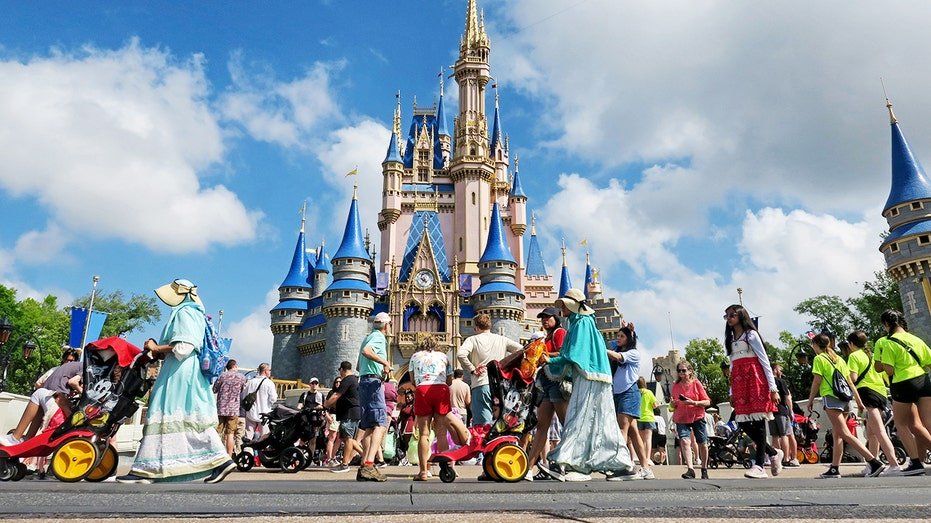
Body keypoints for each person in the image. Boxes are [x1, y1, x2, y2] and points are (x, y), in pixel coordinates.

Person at [116, 279, 235, 484]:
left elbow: (184, 347)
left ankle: (148, 468)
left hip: (179, 373)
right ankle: (216, 461)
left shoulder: (184, 313)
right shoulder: (198, 314)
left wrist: (155, 347)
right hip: (188, 371)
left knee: (166, 414)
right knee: (189, 418)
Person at [539, 288, 633, 482]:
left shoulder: (582, 324)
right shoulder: (581, 323)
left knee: (578, 417)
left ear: (572, 305)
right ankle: (620, 465)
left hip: (589, 377)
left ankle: (570, 463)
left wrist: (549, 361)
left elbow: (574, 355)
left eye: (564, 304)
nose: (562, 308)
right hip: (594, 376)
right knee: (601, 421)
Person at [807, 333, 886, 478]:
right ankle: (834, 468)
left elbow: (817, 381)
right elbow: (850, 382)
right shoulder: (839, 359)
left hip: (831, 398)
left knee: (844, 433)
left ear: (816, 345)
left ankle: (873, 461)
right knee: (838, 435)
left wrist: (811, 399)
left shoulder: (819, 359)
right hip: (845, 399)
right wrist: (859, 401)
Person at [723, 304, 784, 479]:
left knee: (758, 421)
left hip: (755, 378)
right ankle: (773, 452)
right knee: (741, 421)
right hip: (739, 381)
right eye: (726, 316)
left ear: (741, 316)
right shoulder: (731, 339)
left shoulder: (751, 335)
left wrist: (773, 387)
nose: (729, 318)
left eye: (732, 315)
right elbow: (732, 364)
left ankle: (759, 465)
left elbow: (764, 360)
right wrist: (731, 391)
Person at [873, 309, 931, 476]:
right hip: (923, 380)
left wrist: (883, 362)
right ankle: (919, 459)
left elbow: (889, 371)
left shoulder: (886, 342)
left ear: (886, 324)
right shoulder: (915, 339)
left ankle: (915, 462)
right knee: (924, 422)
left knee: (901, 425)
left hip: (903, 383)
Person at [408, 335, 471, 481]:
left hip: (422, 390)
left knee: (424, 434)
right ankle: (446, 468)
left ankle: (423, 472)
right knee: (441, 433)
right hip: (441, 390)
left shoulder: (414, 356)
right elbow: (449, 380)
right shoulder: (444, 356)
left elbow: (412, 380)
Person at [844, 331, 901, 475]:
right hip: (880, 392)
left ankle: (894, 464)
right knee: (872, 432)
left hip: (867, 393)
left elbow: (853, 378)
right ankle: (873, 464)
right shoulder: (871, 355)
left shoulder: (854, 356)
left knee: (879, 430)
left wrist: (845, 376)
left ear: (851, 344)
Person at [457, 313, 523, 426]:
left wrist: (473, 369)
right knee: (502, 421)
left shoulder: (472, 340)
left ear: (476, 327)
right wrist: (508, 367)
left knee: (483, 425)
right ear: (490, 327)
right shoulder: (502, 339)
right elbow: (521, 350)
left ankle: (486, 443)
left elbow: (460, 355)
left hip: (481, 384)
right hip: (500, 385)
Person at [526, 306, 569, 480]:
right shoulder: (546, 337)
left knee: (566, 424)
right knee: (541, 426)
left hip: (556, 381)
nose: (545, 320)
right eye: (542, 318)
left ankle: (565, 465)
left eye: (548, 317)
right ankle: (528, 468)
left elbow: (563, 353)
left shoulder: (559, 332)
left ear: (556, 318)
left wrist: (545, 355)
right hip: (546, 382)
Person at [607, 322, 654, 480]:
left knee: (622, 430)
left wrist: (600, 347)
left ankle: (624, 467)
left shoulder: (633, 353)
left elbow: (618, 356)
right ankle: (646, 468)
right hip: (619, 394)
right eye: (617, 336)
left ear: (629, 339)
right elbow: (614, 350)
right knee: (634, 433)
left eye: (622, 336)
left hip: (629, 393)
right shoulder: (617, 349)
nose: (618, 338)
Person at [0, 359, 82, 446]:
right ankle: (25, 439)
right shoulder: (86, 369)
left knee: (39, 394)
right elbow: (73, 382)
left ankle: (16, 437)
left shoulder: (82, 367)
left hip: (55, 402)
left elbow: (72, 382)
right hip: (56, 400)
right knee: (40, 397)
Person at [354, 311, 393, 482]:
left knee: (369, 427)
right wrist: (384, 363)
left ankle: (363, 466)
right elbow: (366, 351)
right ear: (386, 326)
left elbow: (358, 364)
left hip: (364, 381)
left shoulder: (368, 336)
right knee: (381, 423)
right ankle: (370, 464)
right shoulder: (378, 337)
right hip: (372, 383)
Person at [670, 361, 711, 479]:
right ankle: (690, 469)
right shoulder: (676, 386)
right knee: (684, 441)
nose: (681, 373)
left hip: (697, 416)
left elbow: (707, 401)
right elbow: (673, 405)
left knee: (702, 443)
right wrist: (673, 404)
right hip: (681, 417)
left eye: (683, 370)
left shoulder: (696, 384)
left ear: (690, 371)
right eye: (679, 371)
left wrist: (693, 402)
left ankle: (704, 468)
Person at [323, 361, 362, 473]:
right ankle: (366, 457)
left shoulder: (348, 380)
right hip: (350, 413)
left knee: (348, 438)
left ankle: (344, 464)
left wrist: (325, 404)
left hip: (349, 413)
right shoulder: (354, 379)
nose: (340, 373)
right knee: (345, 438)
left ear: (343, 369)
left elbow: (336, 395)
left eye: (340, 370)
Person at [213, 359, 247, 456]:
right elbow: (243, 391)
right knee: (230, 434)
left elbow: (214, 389)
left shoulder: (222, 376)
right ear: (235, 366)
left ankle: (216, 454)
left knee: (217, 432)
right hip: (234, 408)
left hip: (221, 408)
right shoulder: (241, 377)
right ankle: (229, 455)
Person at [768, 363, 798, 467]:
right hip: (781, 411)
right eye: (780, 369)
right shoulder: (781, 381)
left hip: (771, 412)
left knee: (775, 436)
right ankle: (786, 458)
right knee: (784, 434)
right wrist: (790, 411)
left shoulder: (767, 382)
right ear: (775, 370)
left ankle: (777, 458)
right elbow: (787, 397)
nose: (781, 371)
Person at [242, 363, 277, 442]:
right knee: (264, 437)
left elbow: (243, 396)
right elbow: (273, 399)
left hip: (250, 412)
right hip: (264, 414)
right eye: (269, 370)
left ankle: (247, 452)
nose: (270, 372)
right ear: (265, 371)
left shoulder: (250, 382)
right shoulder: (269, 383)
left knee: (248, 436)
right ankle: (262, 453)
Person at [298, 377, 324, 462]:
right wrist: (300, 408)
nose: (314, 385)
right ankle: (300, 457)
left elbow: (322, 406)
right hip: (305, 419)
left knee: (313, 439)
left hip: (315, 419)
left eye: (316, 383)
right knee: (302, 439)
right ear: (309, 384)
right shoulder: (305, 395)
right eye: (312, 383)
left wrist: (316, 408)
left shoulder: (320, 395)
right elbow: (300, 405)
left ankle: (310, 458)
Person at [323, 376, 343, 465]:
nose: (338, 384)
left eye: (340, 382)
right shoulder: (332, 393)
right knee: (332, 438)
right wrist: (327, 415)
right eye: (336, 382)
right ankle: (329, 458)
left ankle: (333, 457)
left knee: (339, 439)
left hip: (342, 417)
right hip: (333, 416)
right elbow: (325, 405)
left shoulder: (343, 393)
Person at [637, 377, 657, 468]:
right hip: (649, 417)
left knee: (641, 440)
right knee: (648, 439)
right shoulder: (649, 392)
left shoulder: (636, 392)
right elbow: (655, 405)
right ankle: (648, 458)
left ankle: (642, 458)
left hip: (639, 418)